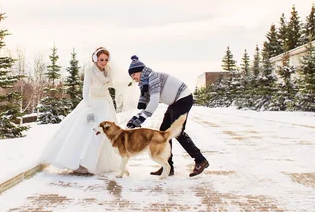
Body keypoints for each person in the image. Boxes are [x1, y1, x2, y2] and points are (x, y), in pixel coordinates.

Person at [41, 47, 123, 175]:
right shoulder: (90, 71)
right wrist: (89, 106)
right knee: (87, 132)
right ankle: (81, 163)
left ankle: (97, 164)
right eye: (101, 59)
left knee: (105, 135)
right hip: (93, 104)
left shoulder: (108, 70)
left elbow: (112, 84)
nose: (104, 62)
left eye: (106, 59)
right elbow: (85, 90)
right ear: (95, 59)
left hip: (106, 104)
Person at [126, 55, 209, 177]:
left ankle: (200, 160)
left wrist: (140, 119)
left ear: (140, 71)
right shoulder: (146, 81)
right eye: (131, 76)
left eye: (134, 75)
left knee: (177, 132)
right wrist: (136, 118)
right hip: (175, 102)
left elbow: (154, 102)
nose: (133, 78)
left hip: (183, 98)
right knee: (164, 132)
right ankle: (168, 167)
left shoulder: (152, 78)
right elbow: (148, 104)